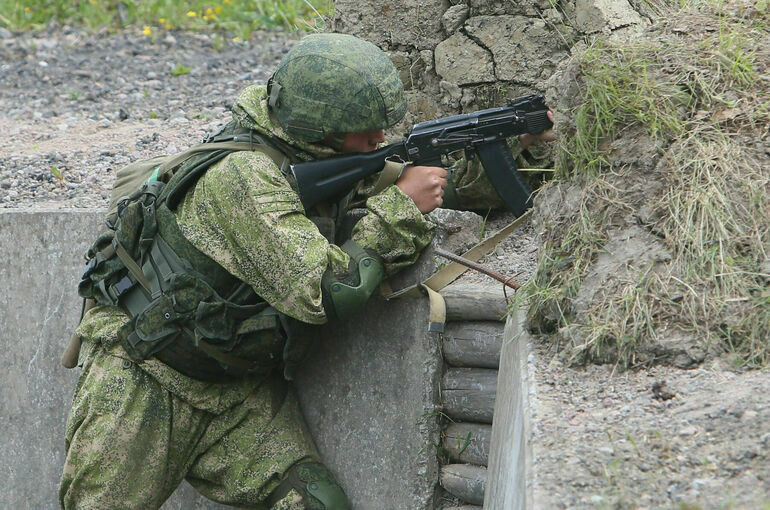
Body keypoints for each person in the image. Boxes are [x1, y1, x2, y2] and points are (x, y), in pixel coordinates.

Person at [60, 33, 553, 509]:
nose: (381, 139)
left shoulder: (316, 153)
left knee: (314, 502)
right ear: (324, 128)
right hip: (147, 376)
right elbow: (328, 291)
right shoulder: (243, 180)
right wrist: (401, 209)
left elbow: (432, 183)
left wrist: (515, 150)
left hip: (234, 386)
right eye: (368, 131)